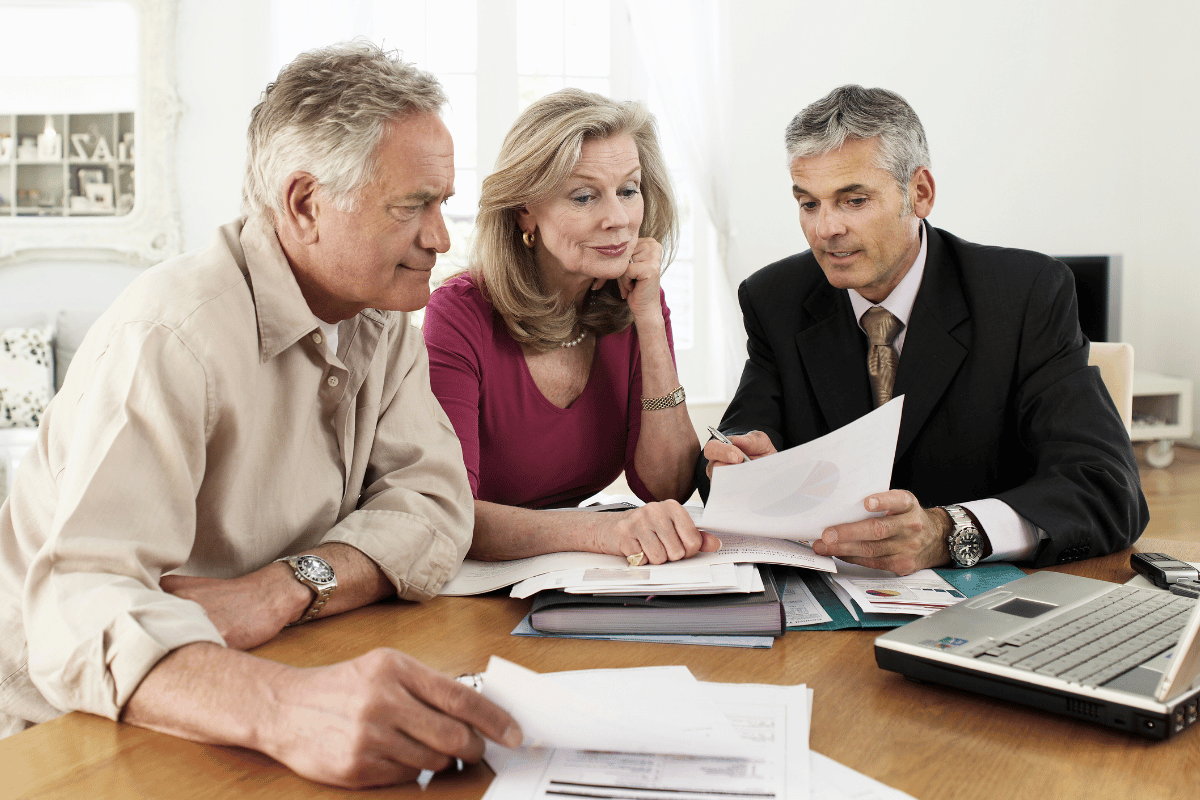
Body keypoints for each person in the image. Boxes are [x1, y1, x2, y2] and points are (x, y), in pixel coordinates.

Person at [0, 42, 521, 788]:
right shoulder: (172, 336)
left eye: (442, 203)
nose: (441, 238)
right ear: (305, 204)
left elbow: (436, 510)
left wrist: (287, 586)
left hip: (254, 681)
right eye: (414, 206)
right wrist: (288, 708)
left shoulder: (381, 324)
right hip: (67, 735)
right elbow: (78, 607)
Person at [699, 85, 1147, 575]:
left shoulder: (1026, 295)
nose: (825, 229)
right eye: (809, 204)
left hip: (986, 601)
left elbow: (1105, 488)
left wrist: (950, 532)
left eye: (853, 200)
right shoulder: (774, 299)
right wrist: (740, 466)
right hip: (831, 592)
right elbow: (743, 439)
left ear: (921, 193)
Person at [423, 89, 716, 565]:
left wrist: (649, 321)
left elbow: (668, 485)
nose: (618, 219)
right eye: (584, 196)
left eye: (629, 189)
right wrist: (605, 530)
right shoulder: (459, 315)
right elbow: (450, 515)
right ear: (524, 211)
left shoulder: (635, 299)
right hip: (469, 585)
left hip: (565, 571)